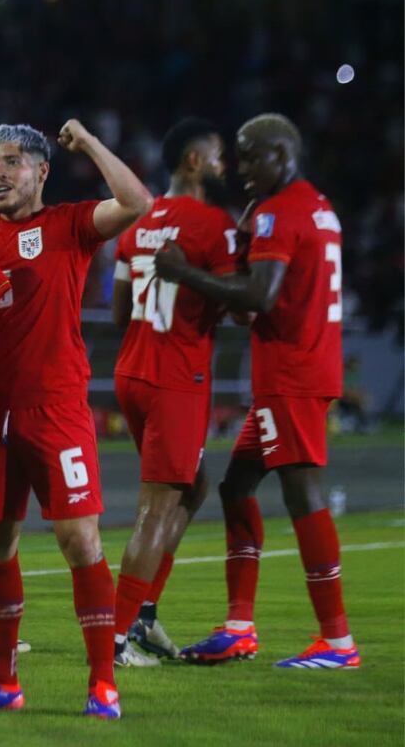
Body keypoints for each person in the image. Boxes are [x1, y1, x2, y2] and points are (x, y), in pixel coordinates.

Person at [0, 121, 151, 718]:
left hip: (55, 408)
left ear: (41, 172)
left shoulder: (69, 226)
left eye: (11, 163)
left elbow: (137, 203)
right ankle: (0, 681)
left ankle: (103, 683)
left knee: (79, 541)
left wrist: (89, 145)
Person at [154, 112, 359, 668]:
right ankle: (240, 625)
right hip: (302, 368)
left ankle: (337, 642)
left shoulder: (279, 212)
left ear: (281, 154)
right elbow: (269, 293)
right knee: (237, 486)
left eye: (251, 157)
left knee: (303, 495)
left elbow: (259, 298)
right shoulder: (317, 207)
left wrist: (183, 273)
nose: (241, 169)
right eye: (238, 157)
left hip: (292, 375)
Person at [109, 119, 237, 667]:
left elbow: (118, 311)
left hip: (133, 370)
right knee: (156, 508)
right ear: (193, 161)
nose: (224, 165)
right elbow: (242, 301)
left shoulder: (138, 226)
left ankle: (144, 613)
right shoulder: (213, 225)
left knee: (194, 487)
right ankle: (114, 640)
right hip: (176, 379)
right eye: (217, 156)